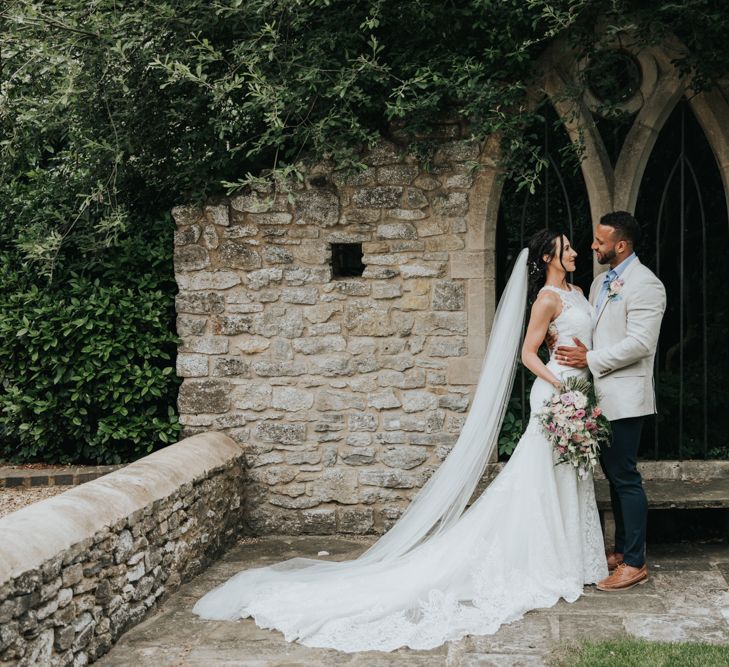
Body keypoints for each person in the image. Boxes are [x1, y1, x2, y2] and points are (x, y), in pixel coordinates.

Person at [191, 230, 608, 653]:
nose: (574, 252)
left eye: (573, 247)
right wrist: (561, 385)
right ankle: (544, 559)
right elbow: (527, 354)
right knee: (540, 474)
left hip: (578, 390)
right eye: (567, 248)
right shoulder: (547, 299)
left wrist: (583, 373)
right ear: (547, 256)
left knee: (566, 473)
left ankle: (571, 557)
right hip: (557, 395)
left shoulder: (576, 290)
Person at [556, 211, 666, 591]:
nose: (592, 246)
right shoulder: (603, 281)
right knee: (614, 478)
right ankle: (620, 552)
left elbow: (640, 344)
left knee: (625, 478)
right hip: (600, 396)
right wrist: (585, 350)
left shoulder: (646, 285)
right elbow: (603, 331)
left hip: (626, 397)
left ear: (620, 245)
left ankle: (635, 562)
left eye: (599, 242)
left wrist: (590, 359)